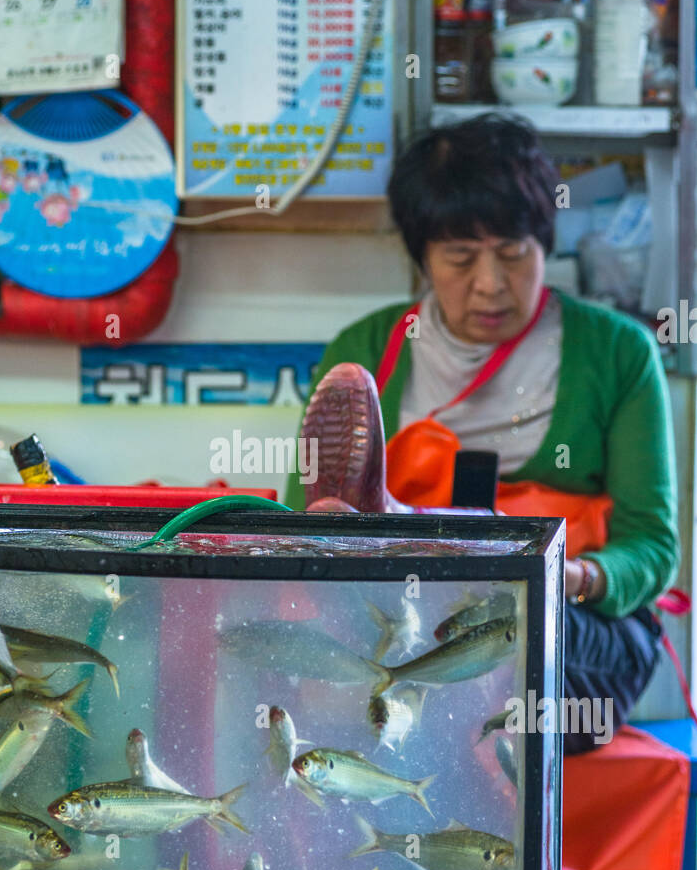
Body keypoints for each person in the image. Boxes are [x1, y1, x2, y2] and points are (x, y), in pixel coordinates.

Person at [285, 114, 679, 751]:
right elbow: (295, 525)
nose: (491, 283)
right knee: (307, 627)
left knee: (508, 621)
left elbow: (654, 551)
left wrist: (571, 577)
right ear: (422, 259)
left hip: (569, 630)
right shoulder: (364, 351)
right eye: (461, 258)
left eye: (513, 253)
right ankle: (395, 541)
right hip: (402, 616)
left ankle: (406, 534)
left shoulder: (618, 353)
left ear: (546, 243)